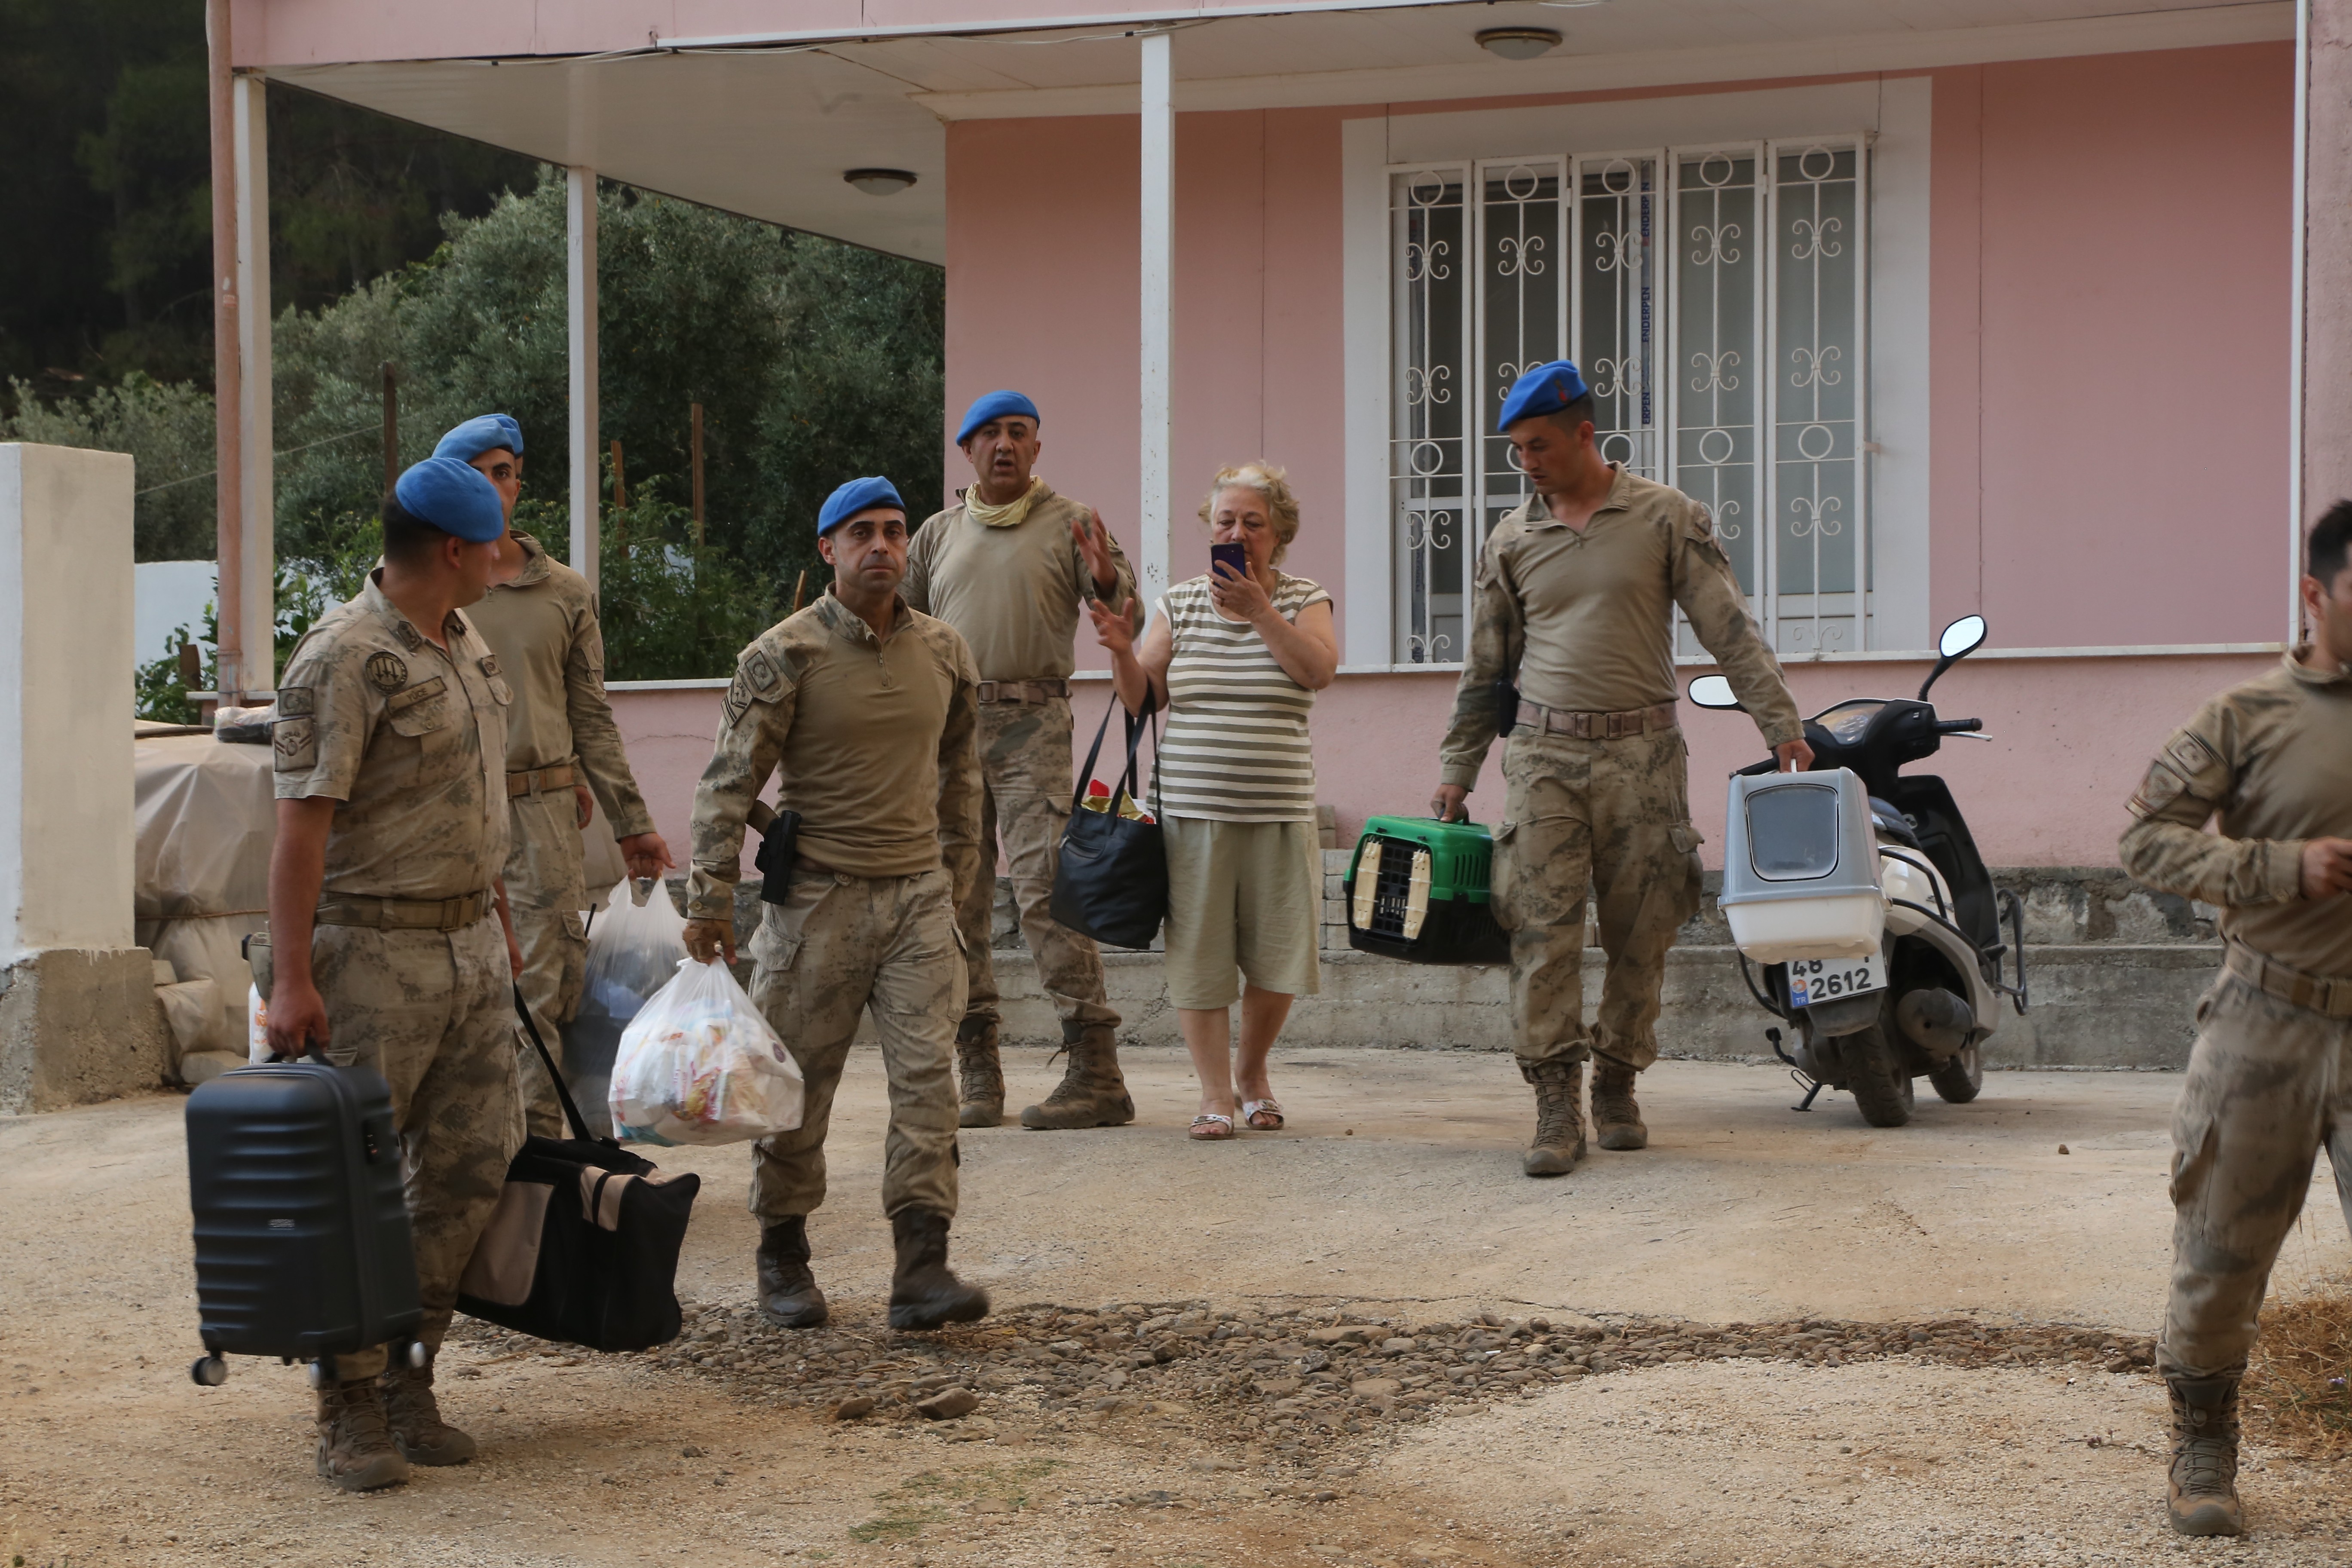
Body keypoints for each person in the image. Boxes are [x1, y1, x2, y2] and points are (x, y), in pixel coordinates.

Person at [1430, 360, 1810, 1178]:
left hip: (1643, 756)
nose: (1526, 462)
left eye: (1538, 446)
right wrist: (1459, 767)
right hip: (1542, 759)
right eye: (1516, 451)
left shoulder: (1665, 517)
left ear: (1583, 434)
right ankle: (1556, 1103)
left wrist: (1781, 724)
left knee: (1646, 931)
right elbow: (1485, 667)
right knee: (1542, 931)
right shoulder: (1511, 540)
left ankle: (1617, 1084)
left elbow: (1730, 631)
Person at [265, 456, 527, 1490]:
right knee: (357, 1188)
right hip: (370, 953)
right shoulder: (341, 657)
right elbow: (298, 833)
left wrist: (499, 926)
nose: (507, 558)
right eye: (496, 543)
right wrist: (293, 980)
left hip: (468, 949)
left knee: (468, 1175)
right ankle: (348, 1403)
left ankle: (411, 1376)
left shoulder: (465, 643)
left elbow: (478, 805)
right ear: (454, 551)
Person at [682, 475, 991, 1332]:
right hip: (817, 907)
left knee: (930, 1084)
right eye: (862, 533)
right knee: (797, 1091)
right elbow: (728, 780)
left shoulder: (945, 653)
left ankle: (921, 1266)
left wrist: (959, 885)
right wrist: (709, 899)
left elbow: (964, 779)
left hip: (919, 901)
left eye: (895, 531)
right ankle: (783, 1252)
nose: (882, 547)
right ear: (828, 549)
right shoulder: (783, 654)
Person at [2117, 501, 2352, 1539]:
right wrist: (2275, 868)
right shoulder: (2247, 717)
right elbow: (2147, 844)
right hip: (2269, 1019)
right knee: (2220, 1256)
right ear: (2317, 595)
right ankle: (2204, 1441)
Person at [903, 389, 1142, 1131]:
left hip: (1034, 720)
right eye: (990, 435)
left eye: (1020, 433)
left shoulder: (1073, 523)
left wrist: (1104, 580)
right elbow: (898, 627)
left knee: (1045, 890)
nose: (1005, 445)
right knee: (956, 901)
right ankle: (978, 1069)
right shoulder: (936, 535)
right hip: (950, 726)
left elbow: (1126, 608)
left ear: (1037, 447)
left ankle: (1095, 1069)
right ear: (966, 450)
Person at [433, 413, 674, 1137]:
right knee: (455, 984)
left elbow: (591, 715)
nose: (499, 487)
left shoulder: (563, 592)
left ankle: (535, 1164)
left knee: (543, 990)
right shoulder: (431, 586)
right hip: (445, 816)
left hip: (538, 819)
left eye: (508, 472)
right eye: (482, 472)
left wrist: (633, 822)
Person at [1090, 462, 1338, 1139]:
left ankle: (1253, 1075)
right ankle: (1213, 1094)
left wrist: (1261, 611)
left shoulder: (1305, 597)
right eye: (1225, 521)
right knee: (1198, 953)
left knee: (1277, 953)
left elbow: (1317, 671)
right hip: (1191, 814)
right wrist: (1121, 652)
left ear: (1278, 533)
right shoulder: (1181, 601)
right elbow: (1146, 701)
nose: (1237, 532)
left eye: (1252, 523)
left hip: (1279, 808)